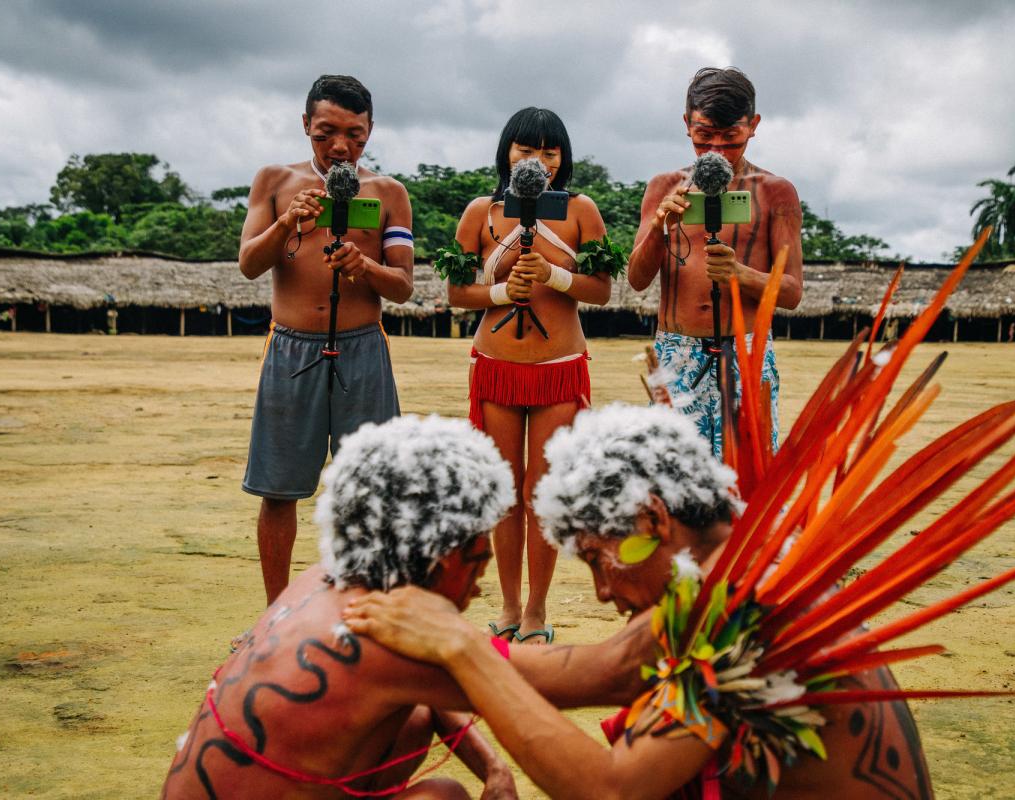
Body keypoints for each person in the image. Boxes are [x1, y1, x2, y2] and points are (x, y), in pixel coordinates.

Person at [344, 406, 932, 799]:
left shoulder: (736, 614)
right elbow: (600, 670)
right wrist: (418, 647)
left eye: (600, 560)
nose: (602, 592)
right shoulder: (741, 567)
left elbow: (614, 790)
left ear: (652, 518)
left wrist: (459, 646)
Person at [165, 415, 519, 799]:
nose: (481, 581)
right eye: (479, 559)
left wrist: (496, 770)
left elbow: (427, 689)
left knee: (418, 726)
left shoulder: (324, 580)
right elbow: (556, 679)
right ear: (440, 554)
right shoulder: (377, 631)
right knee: (442, 796)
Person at [432, 107, 622, 645]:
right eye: (525, 149)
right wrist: (500, 293)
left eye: (549, 151)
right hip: (497, 369)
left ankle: (538, 610)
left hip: (559, 370)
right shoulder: (480, 213)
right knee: (505, 491)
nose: (536, 160)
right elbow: (455, 292)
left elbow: (602, 289)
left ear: (563, 159)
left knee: (542, 490)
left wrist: (556, 275)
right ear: (505, 153)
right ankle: (510, 606)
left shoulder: (582, 211)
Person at [238, 74, 414, 604]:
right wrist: (287, 222)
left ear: (370, 130)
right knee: (279, 488)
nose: (341, 146)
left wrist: (364, 265)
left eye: (355, 135)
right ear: (305, 126)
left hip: (363, 346)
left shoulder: (388, 193)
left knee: (373, 489)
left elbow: (403, 286)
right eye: (325, 133)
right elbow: (249, 264)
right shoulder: (274, 181)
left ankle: (367, 608)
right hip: (291, 347)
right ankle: (275, 613)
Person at [628, 67, 804, 456]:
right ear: (686, 124)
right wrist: (660, 226)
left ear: (753, 126)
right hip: (676, 350)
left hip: (746, 350)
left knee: (746, 480)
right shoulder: (663, 186)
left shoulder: (776, 192)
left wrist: (740, 274)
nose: (716, 152)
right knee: (670, 476)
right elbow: (637, 279)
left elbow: (791, 293)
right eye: (704, 137)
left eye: (731, 139)